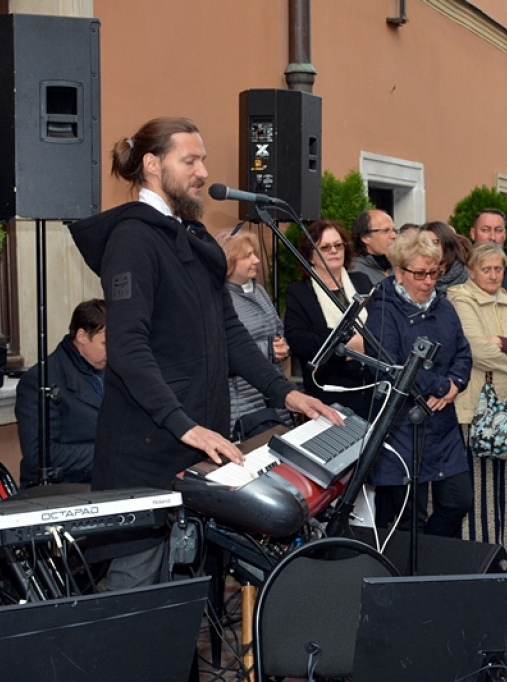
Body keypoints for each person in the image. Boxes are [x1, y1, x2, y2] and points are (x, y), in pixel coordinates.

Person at [68, 117, 341, 589]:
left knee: (187, 597)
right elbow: (128, 349)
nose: (202, 171)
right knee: (139, 603)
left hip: (197, 451)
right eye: (189, 160)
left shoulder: (190, 239)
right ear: (152, 165)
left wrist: (286, 393)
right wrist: (186, 426)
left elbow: (229, 333)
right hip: (148, 456)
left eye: (203, 160)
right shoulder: (133, 239)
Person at [366, 230, 473, 536]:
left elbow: (463, 351)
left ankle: (430, 556)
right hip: (403, 424)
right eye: (420, 274)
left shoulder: (444, 306)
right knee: (408, 517)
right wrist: (442, 387)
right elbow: (394, 364)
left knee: (458, 500)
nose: (429, 281)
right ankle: (415, 573)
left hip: (442, 424)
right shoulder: (383, 310)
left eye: (434, 273)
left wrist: (454, 385)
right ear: (399, 272)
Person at [449, 241, 507, 569]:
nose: (493, 275)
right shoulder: (460, 300)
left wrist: (503, 345)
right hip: (477, 405)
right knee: (481, 483)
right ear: (471, 270)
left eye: (498, 268)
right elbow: (476, 349)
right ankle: (482, 553)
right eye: (486, 268)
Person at [283, 220, 375, 417]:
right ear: (310, 257)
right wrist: (345, 346)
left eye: (338, 245)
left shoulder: (362, 281)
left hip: (373, 386)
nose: (333, 251)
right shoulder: (299, 292)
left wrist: (367, 343)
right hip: (330, 393)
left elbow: (382, 324)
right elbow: (299, 340)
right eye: (325, 247)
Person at [15, 299, 107, 488]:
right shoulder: (40, 380)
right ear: (82, 336)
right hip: (65, 489)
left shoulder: (112, 371)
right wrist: (110, 453)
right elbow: (40, 455)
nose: (112, 351)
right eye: (105, 343)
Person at [215, 229, 295, 440]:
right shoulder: (219, 300)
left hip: (272, 400)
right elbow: (222, 353)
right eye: (247, 256)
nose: (257, 260)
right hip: (242, 408)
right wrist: (267, 350)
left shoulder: (258, 291)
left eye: (255, 254)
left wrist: (281, 346)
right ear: (229, 262)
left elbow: (277, 328)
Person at [351, 209, 396, 283]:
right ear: (365, 237)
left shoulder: (399, 266)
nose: (394, 236)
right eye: (386, 231)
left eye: (394, 230)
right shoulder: (356, 272)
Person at [422, 221, 468, 293]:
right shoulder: (413, 277)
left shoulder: (467, 277)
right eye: (424, 243)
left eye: (434, 243)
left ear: (448, 244)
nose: (428, 248)